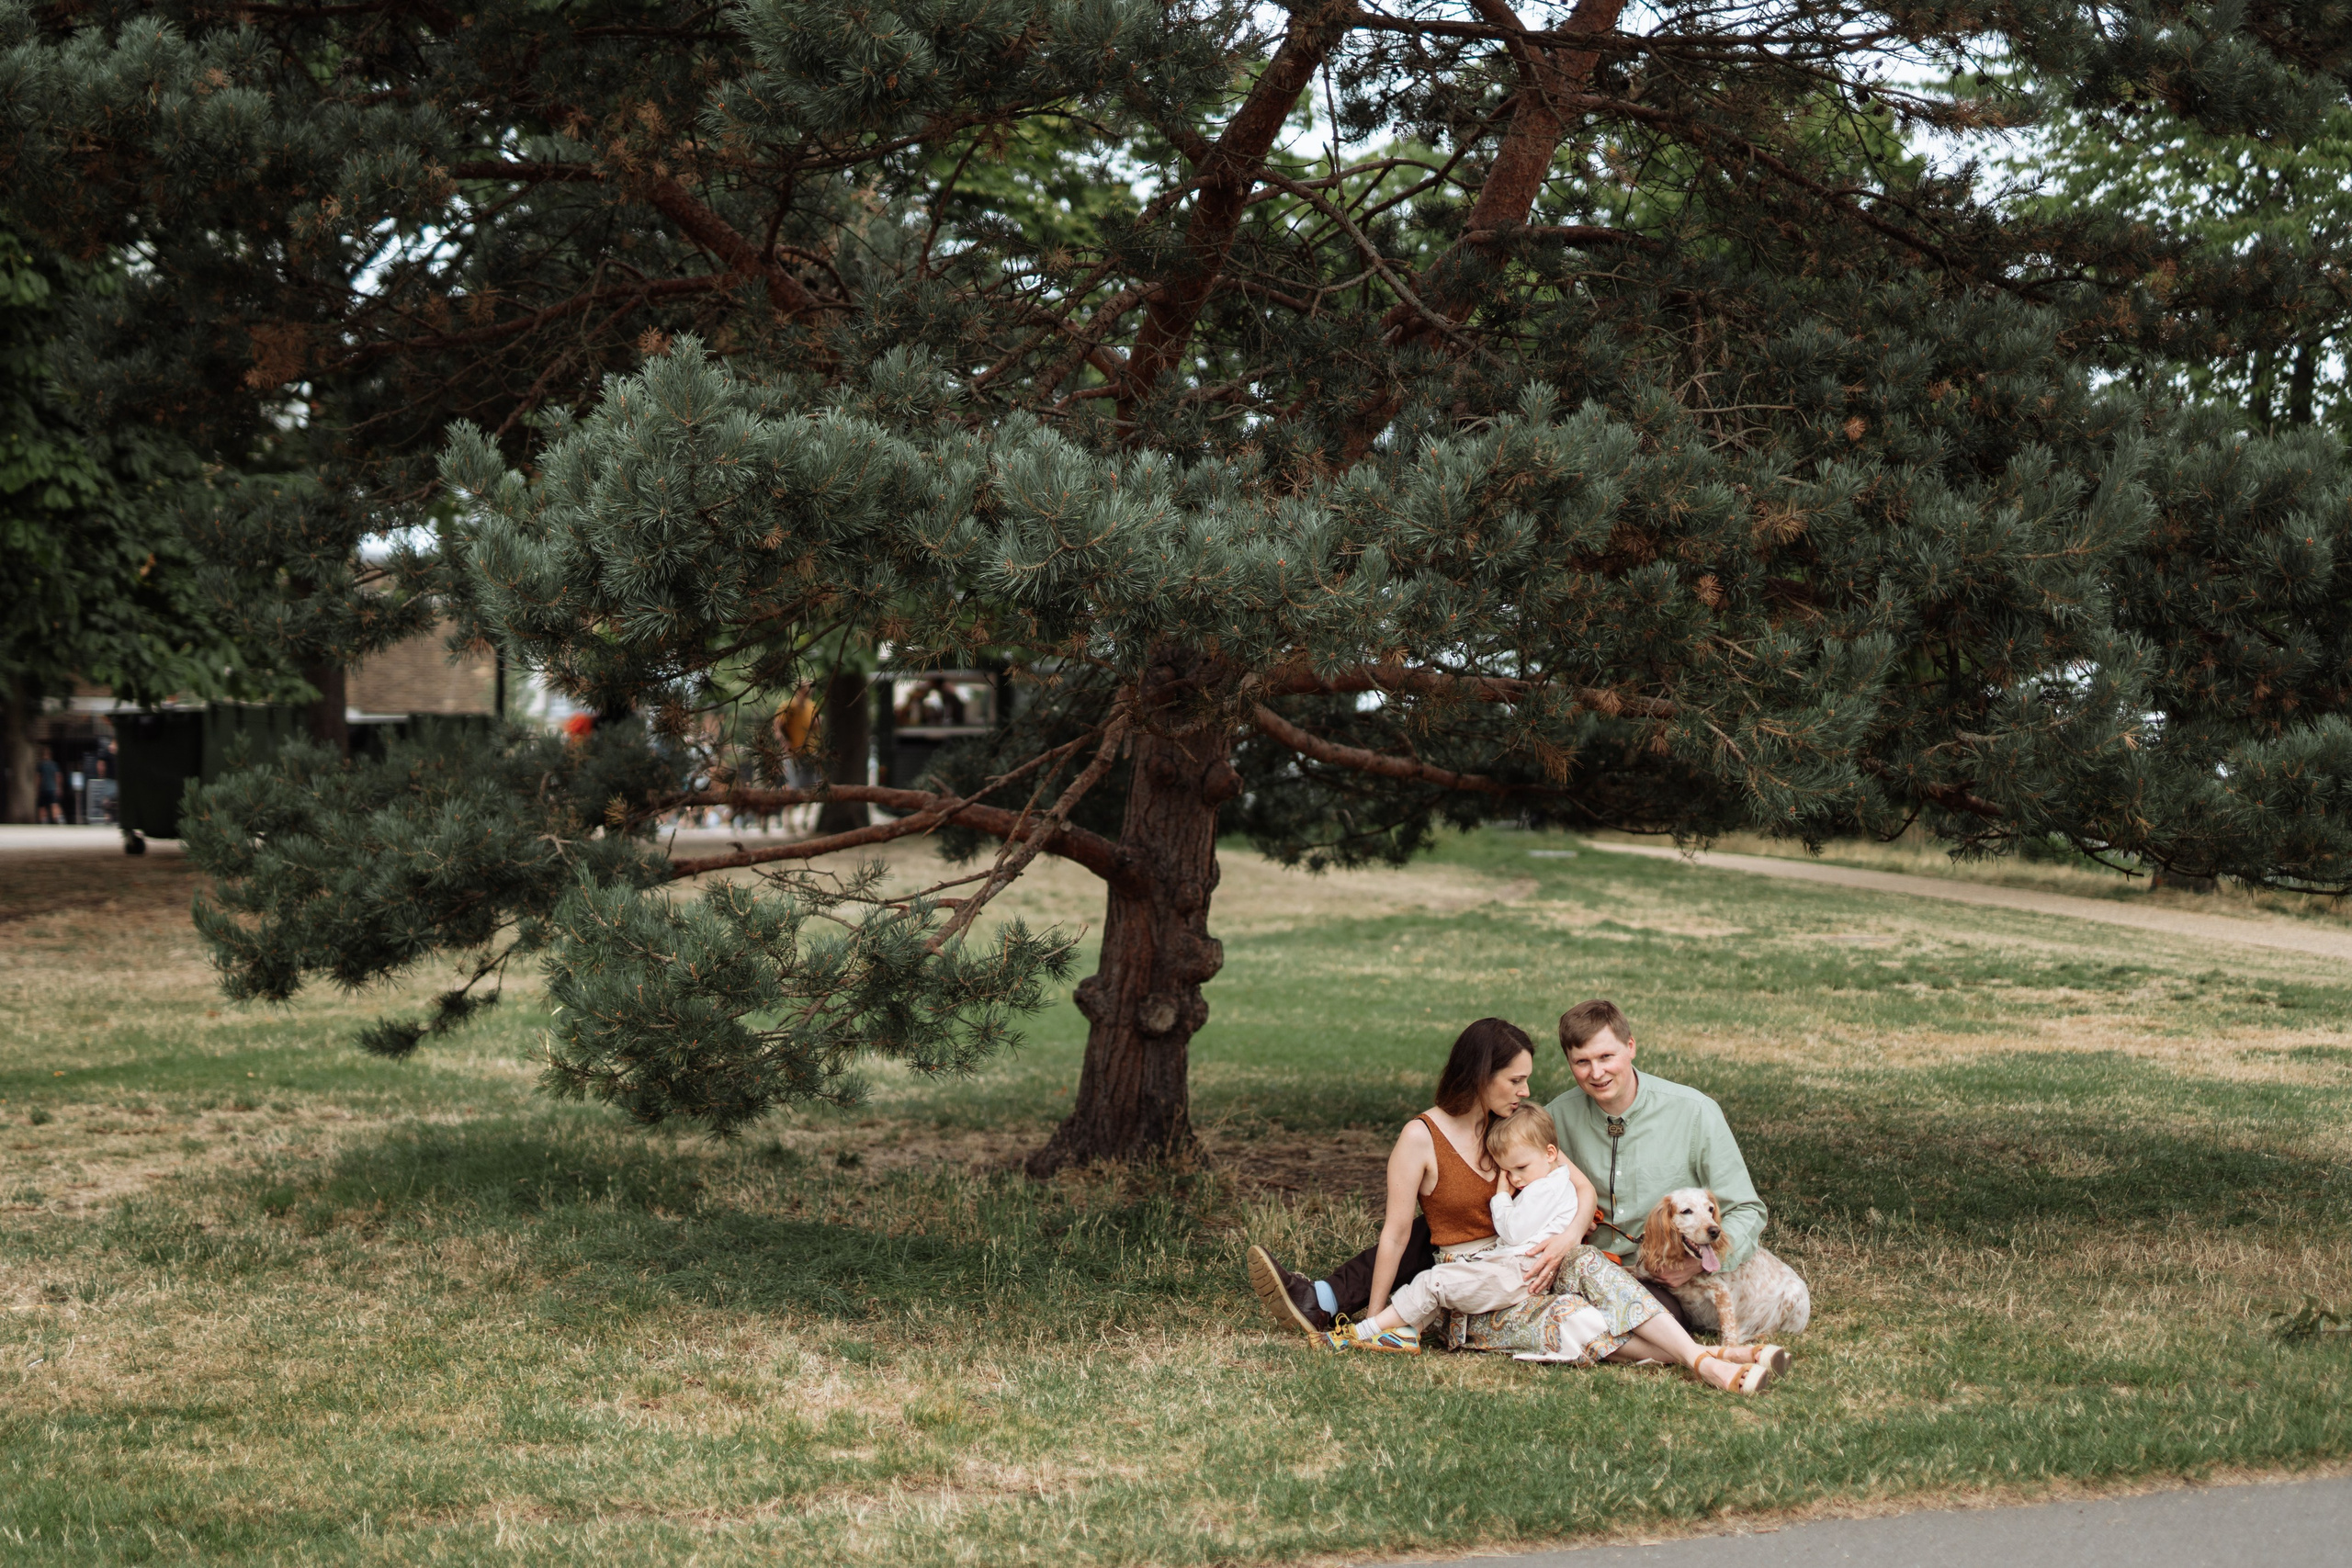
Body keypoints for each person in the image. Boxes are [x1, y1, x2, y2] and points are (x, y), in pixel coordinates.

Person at [1246, 1018, 1783, 1389]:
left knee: (1589, 1268)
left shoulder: (1513, 1128)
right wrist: (1381, 1318)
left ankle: (1703, 1360)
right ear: (1481, 1076)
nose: (1527, 1090)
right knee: (1575, 1314)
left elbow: (1580, 1188)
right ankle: (1712, 1360)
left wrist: (1568, 1238)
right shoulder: (1420, 1137)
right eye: (1516, 1079)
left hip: (1532, 1261)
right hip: (1473, 1280)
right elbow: (1397, 1235)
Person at [1516, 999, 1770, 1332]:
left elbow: (1746, 1209)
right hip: (1590, 1267)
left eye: (1606, 1056)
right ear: (1569, 1062)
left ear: (1631, 1047)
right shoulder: (1554, 1118)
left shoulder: (1695, 1112)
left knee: (1650, 1314)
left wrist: (1700, 1264)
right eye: (1582, 1062)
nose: (1596, 1073)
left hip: (1665, 1277)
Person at [1319, 1105, 1608, 1359]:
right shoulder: (1553, 1176)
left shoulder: (1543, 1188)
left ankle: (1361, 1331)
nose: (1516, 1178)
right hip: (1518, 1270)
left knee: (1433, 1283)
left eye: (1519, 1169)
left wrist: (1502, 1195)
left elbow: (1512, 1232)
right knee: (1443, 1292)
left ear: (1550, 1154)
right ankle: (1405, 1332)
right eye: (1508, 1171)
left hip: (1517, 1270)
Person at [35, 746, 62, 825]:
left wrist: (37, 789)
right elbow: (58, 776)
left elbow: (38, 778)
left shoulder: (40, 765)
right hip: (52, 788)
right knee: (54, 805)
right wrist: (59, 787)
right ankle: (58, 819)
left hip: (43, 788)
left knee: (42, 807)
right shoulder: (54, 765)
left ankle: (44, 821)